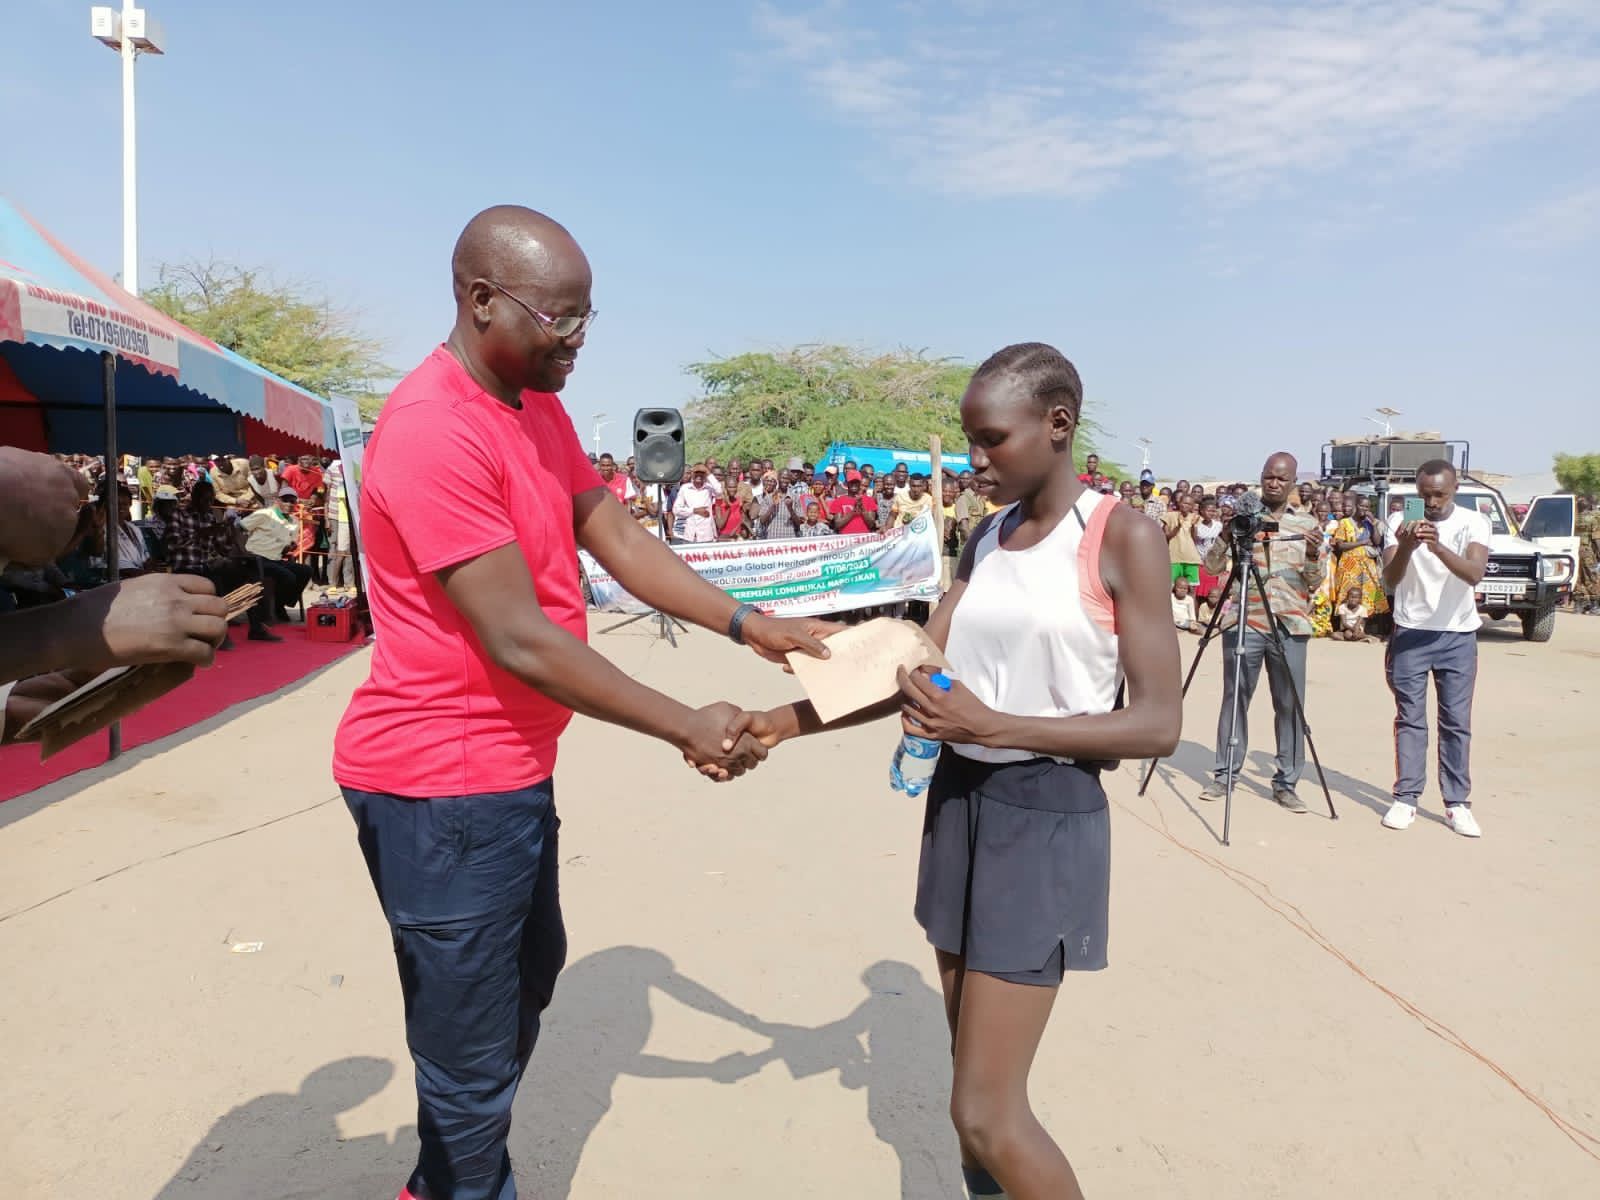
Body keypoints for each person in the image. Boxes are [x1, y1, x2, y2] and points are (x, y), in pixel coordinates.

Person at [330, 206, 836, 1200]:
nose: (577, 343)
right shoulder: (433, 430)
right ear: (479, 302)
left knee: (529, 975)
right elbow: (518, 638)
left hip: (508, 774)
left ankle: (440, 1176)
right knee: (471, 1067)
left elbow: (619, 537)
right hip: (442, 787)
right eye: (558, 320)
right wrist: (684, 720)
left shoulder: (535, 408)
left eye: (586, 319)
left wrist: (748, 624)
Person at [729, 343, 1180, 1200]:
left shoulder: (1122, 535)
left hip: (1046, 813)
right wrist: (781, 724)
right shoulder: (986, 536)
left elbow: (1159, 722)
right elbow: (922, 670)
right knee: (965, 1099)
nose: (974, 461)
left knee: (986, 1113)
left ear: (1058, 425)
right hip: (960, 805)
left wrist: (993, 723)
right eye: (969, 439)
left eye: (990, 440)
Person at [1198, 452, 1325, 813]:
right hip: (1244, 620)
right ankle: (1224, 775)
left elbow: (1316, 581)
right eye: (1268, 477)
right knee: (1235, 698)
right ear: (1261, 477)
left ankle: (1286, 783)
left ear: (1292, 483)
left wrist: (1314, 555)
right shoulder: (1242, 520)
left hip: (1289, 623)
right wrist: (1228, 532)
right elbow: (1212, 565)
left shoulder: (1305, 524)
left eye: (1281, 479)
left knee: (1290, 705)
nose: (1273, 483)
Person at [1379, 460, 1490, 838]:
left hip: (1457, 635)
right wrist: (1408, 547)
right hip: (1411, 632)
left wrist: (1437, 546)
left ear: (1455, 488)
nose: (1431, 502)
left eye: (1439, 494)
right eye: (1424, 495)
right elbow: (1390, 581)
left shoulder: (1474, 522)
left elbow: (1474, 573)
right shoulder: (1398, 522)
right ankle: (1406, 798)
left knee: (1456, 722)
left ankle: (1456, 803)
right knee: (1410, 718)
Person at [163, 479, 281, 645]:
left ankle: (257, 627)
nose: (208, 503)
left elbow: (222, 549)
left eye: (211, 500)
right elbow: (172, 543)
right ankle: (219, 634)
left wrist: (229, 533)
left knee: (251, 575)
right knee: (215, 582)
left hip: (206, 566)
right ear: (194, 497)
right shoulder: (179, 514)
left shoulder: (210, 516)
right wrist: (202, 534)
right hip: (185, 568)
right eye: (204, 499)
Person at [241, 487, 315, 618]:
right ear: (278, 501)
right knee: (288, 576)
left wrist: (291, 547)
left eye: (292, 501)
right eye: (285, 500)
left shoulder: (295, 521)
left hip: (276, 558)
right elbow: (240, 527)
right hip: (256, 557)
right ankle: (278, 607)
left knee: (306, 570)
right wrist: (241, 550)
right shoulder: (265, 514)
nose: (289, 504)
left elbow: (290, 545)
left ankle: (280, 604)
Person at [1332, 493, 1389, 628]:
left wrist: (1374, 523)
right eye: (1362, 505)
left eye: (1367, 507)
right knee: (1348, 594)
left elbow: (1376, 541)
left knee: (1370, 594)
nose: (1364, 509)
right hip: (1349, 565)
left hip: (1367, 565)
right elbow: (1340, 545)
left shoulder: (1368, 524)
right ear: (1356, 506)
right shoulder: (1344, 523)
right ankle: (1345, 626)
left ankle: (1362, 626)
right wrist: (1362, 542)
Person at [1161, 494, 1202, 587]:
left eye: (1189, 504)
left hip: (1191, 558)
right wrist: (1178, 527)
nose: (1186, 506)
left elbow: (1195, 538)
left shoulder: (1195, 518)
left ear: (1192, 506)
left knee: (1191, 587)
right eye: (1184, 503)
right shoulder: (1170, 516)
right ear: (1179, 503)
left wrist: (1193, 526)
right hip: (1174, 557)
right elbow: (1166, 536)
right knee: (1170, 587)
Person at [1192, 496, 1224, 614]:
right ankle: (1197, 617)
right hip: (1199, 561)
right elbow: (1194, 539)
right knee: (1198, 593)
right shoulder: (1197, 525)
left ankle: (1211, 618)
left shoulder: (1218, 525)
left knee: (1211, 594)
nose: (1211, 513)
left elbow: (1221, 541)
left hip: (1213, 563)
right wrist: (1194, 527)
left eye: (1213, 511)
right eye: (1208, 510)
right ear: (1201, 511)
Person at [672, 464, 719, 544]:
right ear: (692, 474)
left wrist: (708, 472)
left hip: (706, 535)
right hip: (689, 535)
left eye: (702, 473)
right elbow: (676, 510)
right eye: (696, 472)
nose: (699, 475)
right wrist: (695, 510)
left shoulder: (709, 488)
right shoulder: (685, 488)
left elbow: (719, 490)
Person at [754, 471, 798, 539]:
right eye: (783, 478)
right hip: (772, 538)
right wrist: (773, 505)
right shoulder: (768, 497)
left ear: (789, 480)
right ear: (778, 479)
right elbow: (762, 520)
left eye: (787, 478)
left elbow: (799, 523)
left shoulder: (795, 497)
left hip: (789, 538)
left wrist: (790, 509)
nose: (785, 481)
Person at [1574, 496, 1599, 615]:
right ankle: (1595, 606)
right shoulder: (1592, 519)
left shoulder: (1573, 519)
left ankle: (1578, 606)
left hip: (1573, 551)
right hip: (1587, 550)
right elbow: (1596, 538)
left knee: (1577, 577)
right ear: (1588, 506)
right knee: (1591, 576)